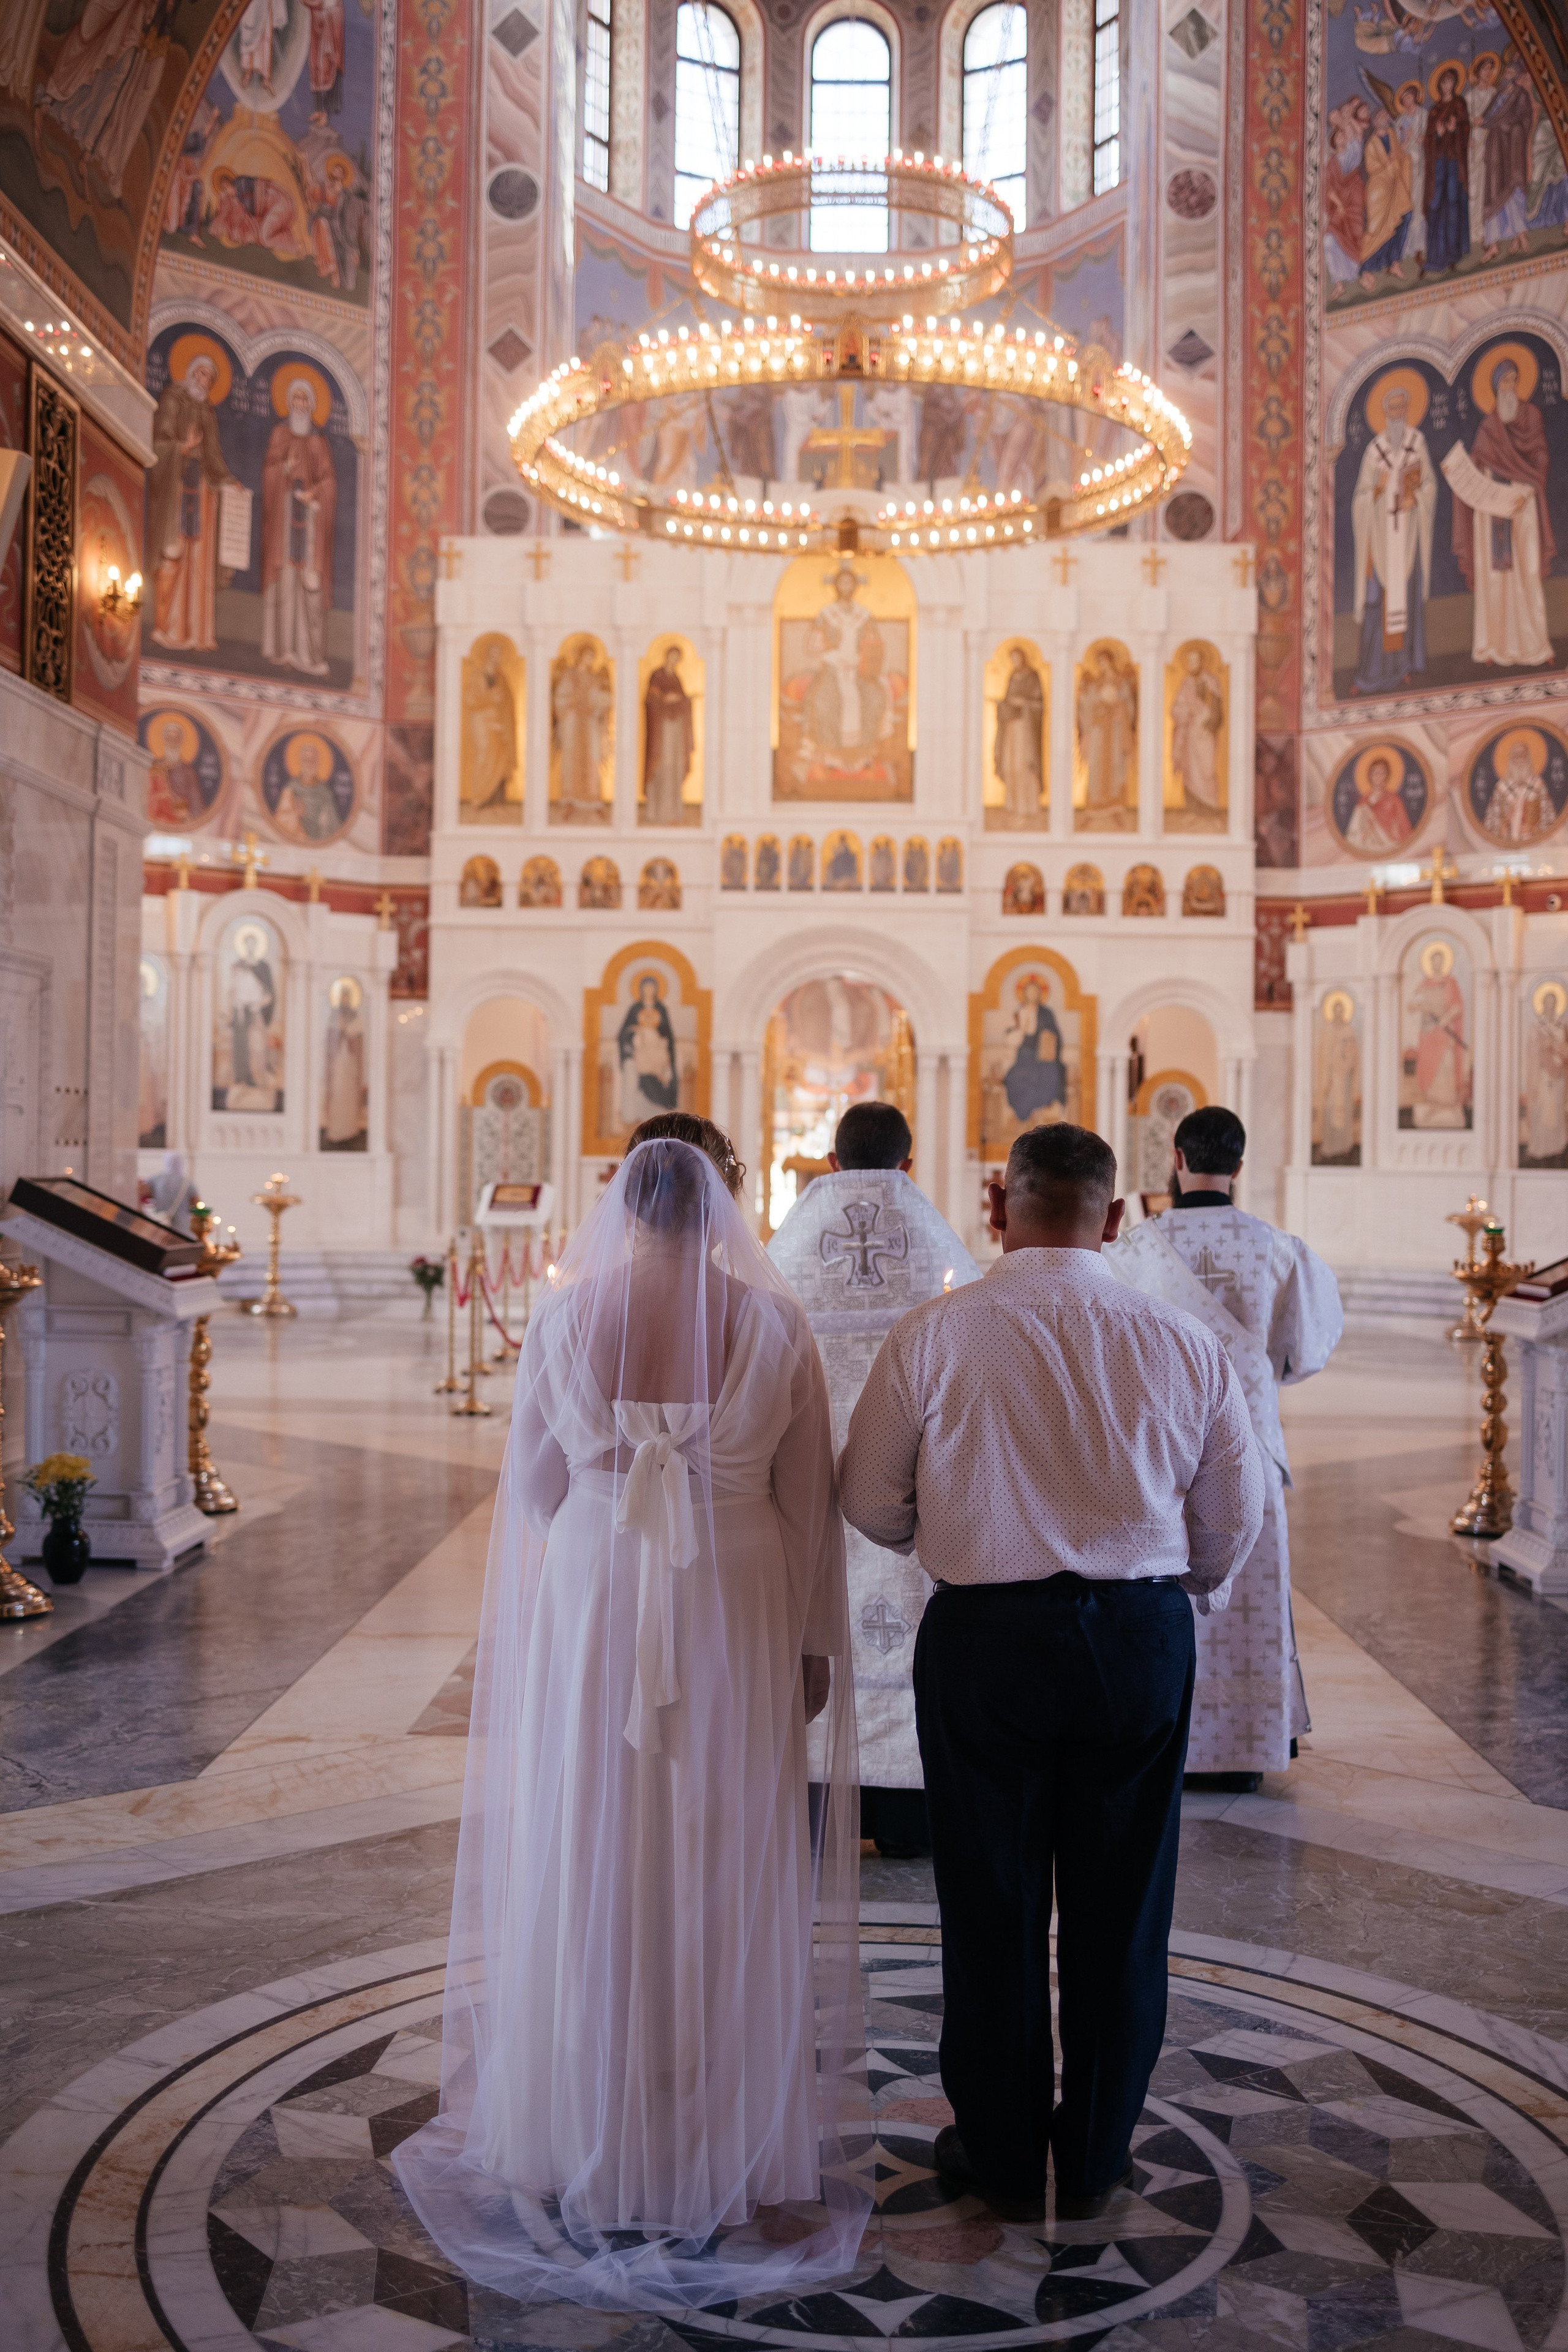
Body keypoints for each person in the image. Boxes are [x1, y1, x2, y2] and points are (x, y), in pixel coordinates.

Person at [393, 1126, 869, 2309]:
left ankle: (587, 2124)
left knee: (596, 1835)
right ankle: (718, 2139)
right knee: (722, 1842)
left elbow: (540, 1493)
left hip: (600, 1594)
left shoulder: (563, 1320)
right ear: (727, 1208)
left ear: (624, 1204)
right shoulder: (774, 1324)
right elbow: (808, 1505)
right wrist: (812, 1646)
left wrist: (620, 1493)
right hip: (739, 1591)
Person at [839, 1124, 1263, 2222]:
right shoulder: (1179, 1339)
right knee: (1125, 1910)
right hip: (1137, 1639)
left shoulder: (933, 1334)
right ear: (1116, 1217)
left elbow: (870, 1498)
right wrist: (1161, 1587)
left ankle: (996, 2146)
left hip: (985, 1641)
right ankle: (1095, 2157)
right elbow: (1233, 1522)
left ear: (996, 1206)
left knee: (991, 1903)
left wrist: (962, 1530)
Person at [769, 1101, 980, 1860]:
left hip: (800, 1488)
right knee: (905, 1630)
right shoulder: (937, 1250)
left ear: (830, 1163)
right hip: (907, 1492)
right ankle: (903, 1817)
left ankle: (819, 1807)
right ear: (909, 1163)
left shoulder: (783, 1252)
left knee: (815, 1627)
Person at [1107, 1106, 1343, 1781]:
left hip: (1156, 1455)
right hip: (1252, 1449)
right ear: (1238, 1167)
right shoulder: (1278, 1250)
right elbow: (1306, 1351)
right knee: (1250, 1592)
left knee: (1159, 1592)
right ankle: (1245, 1747)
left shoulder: (1132, 1252)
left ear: (1176, 1160)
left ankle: (1162, 1737)